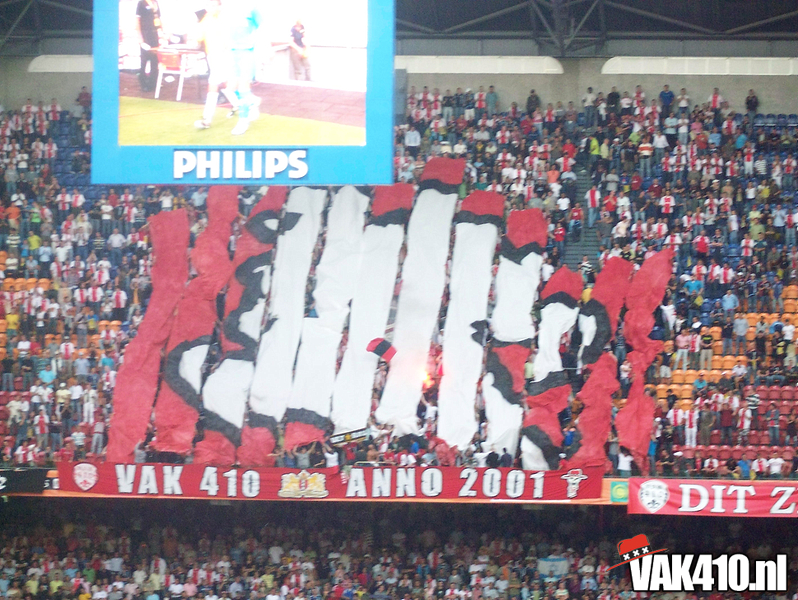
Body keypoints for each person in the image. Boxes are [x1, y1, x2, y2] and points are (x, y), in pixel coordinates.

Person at [135, 0, 163, 93]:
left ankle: (153, 83)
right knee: (144, 60)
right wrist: (140, 37)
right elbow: (137, 21)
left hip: (154, 35)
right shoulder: (141, 3)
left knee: (154, 61)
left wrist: (162, 32)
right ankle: (143, 83)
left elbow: (158, 19)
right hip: (145, 35)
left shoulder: (156, 3)